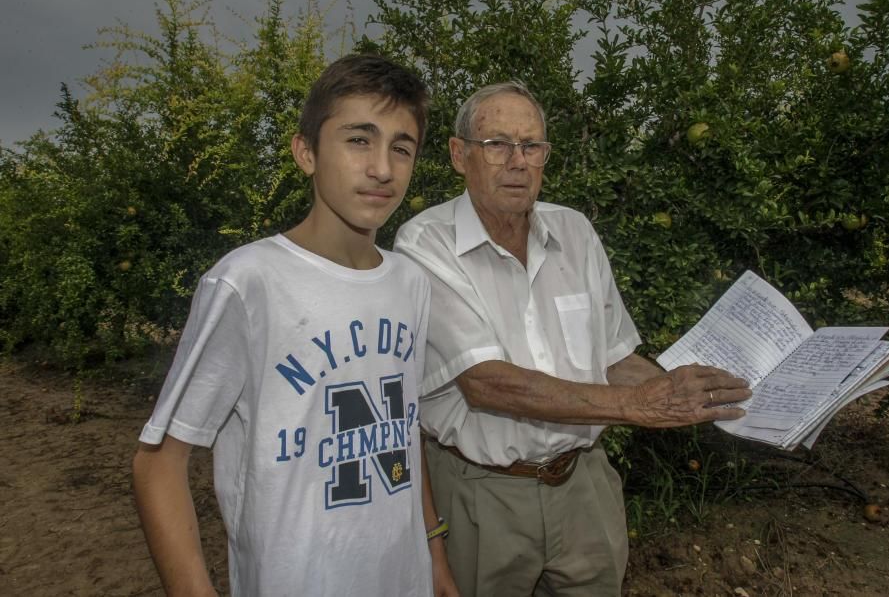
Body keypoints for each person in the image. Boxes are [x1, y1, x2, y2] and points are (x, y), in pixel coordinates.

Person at [393, 81, 751, 596]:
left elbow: (614, 358)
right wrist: (638, 406)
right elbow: (487, 383)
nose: (517, 161)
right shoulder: (426, 244)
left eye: (531, 145)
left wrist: (701, 392)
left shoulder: (576, 233)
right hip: (483, 497)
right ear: (458, 154)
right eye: (497, 144)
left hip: (585, 487)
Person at [132, 54, 458, 597]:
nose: (383, 167)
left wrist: (433, 551)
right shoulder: (248, 283)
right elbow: (159, 465)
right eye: (359, 139)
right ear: (305, 152)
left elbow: (401, 427)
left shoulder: (411, 284)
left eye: (402, 147)